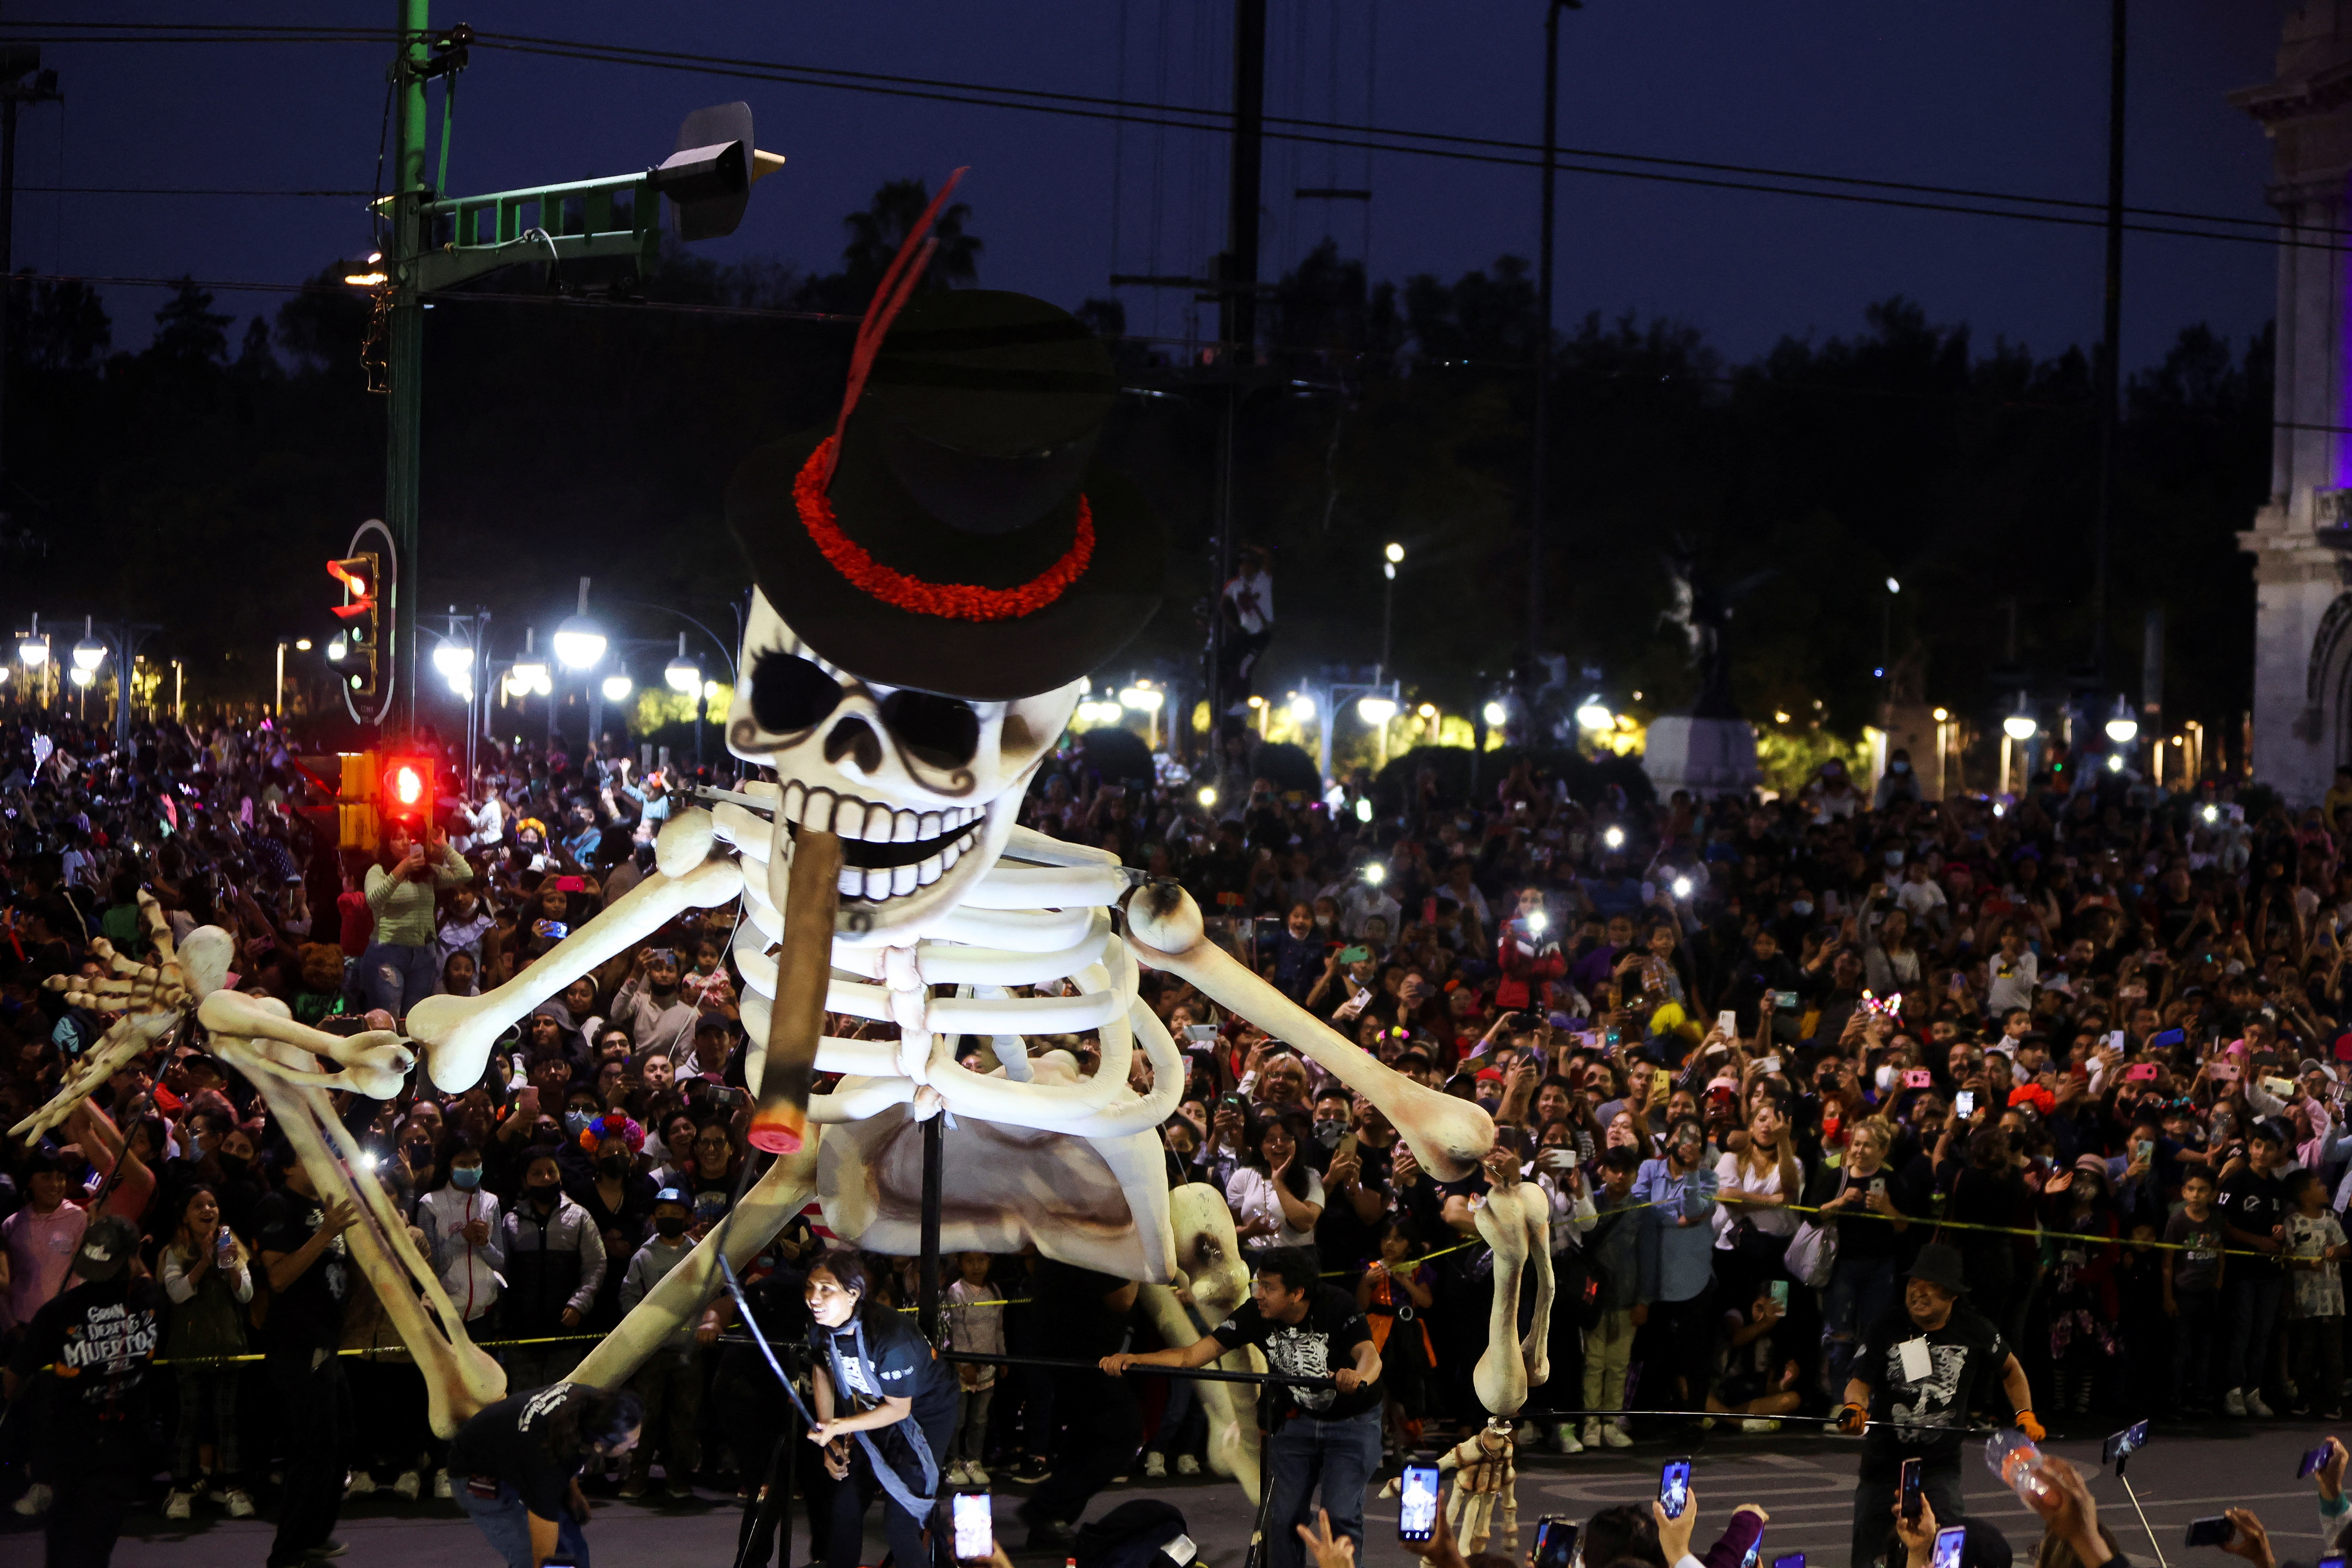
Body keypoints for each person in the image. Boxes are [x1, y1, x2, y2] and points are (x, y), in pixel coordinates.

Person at [1102, 1246, 1383, 1568]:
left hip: (1352, 1422)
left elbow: (1370, 1355)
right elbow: (1191, 1357)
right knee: (1283, 1517)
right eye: (1258, 1283)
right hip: (1297, 1420)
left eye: (1268, 1287)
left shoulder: (1337, 1305)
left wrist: (1357, 1376)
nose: (1258, 1294)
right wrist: (1135, 1359)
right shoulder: (1255, 1313)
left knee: (1340, 1517)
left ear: (1297, 1294)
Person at [1833, 1243, 2039, 1568]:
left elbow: (2011, 1370)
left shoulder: (1975, 1328)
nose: (1919, 1292)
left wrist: (2024, 1413)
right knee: (1869, 1556)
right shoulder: (1887, 1325)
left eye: (1932, 1286)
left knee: (1948, 1550)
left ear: (1953, 1295)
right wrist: (1855, 1408)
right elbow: (1860, 1382)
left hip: (1938, 1468)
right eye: (1915, 1283)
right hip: (1883, 1465)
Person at [3, 1216, 160, 1568]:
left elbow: (14, 1376)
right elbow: (144, 1277)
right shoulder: (150, 1298)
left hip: (74, 1441)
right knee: (91, 1541)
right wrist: (137, 1255)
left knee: (67, 1536)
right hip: (117, 1443)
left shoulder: (59, 1311)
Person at [802, 1250, 961, 1568]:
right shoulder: (820, 1325)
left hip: (925, 1412)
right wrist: (828, 1434)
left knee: (899, 1524)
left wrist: (839, 1427)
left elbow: (899, 1411)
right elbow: (822, 1368)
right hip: (877, 1408)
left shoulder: (893, 1338)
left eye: (826, 1289)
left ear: (853, 1295)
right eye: (810, 1286)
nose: (813, 1298)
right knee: (845, 1506)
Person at [254, 1158, 361, 1568]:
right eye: (304, 1153)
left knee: (341, 1438)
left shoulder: (325, 1204)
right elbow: (279, 1277)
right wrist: (327, 1234)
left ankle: (315, 1534)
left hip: (327, 1341)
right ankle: (289, 1550)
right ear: (286, 1166)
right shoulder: (276, 1205)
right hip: (298, 1343)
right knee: (313, 1445)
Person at [446, 1381, 644, 1568]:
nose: (636, 1445)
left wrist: (573, 1493)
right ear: (599, 1446)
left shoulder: (592, 1407)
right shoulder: (546, 1467)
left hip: (519, 1456)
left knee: (572, 1553)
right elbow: (544, 1557)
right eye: (630, 1443)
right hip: (477, 1476)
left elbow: (569, 1451)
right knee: (531, 1557)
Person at [358, 819, 473, 1014]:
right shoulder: (378, 871)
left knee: (413, 1020)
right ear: (387, 843)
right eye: (398, 838)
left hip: (424, 955)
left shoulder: (426, 872)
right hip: (388, 953)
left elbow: (465, 875)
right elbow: (374, 900)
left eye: (409, 837)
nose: (405, 842)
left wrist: (443, 846)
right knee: (389, 1019)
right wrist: (401, 870)